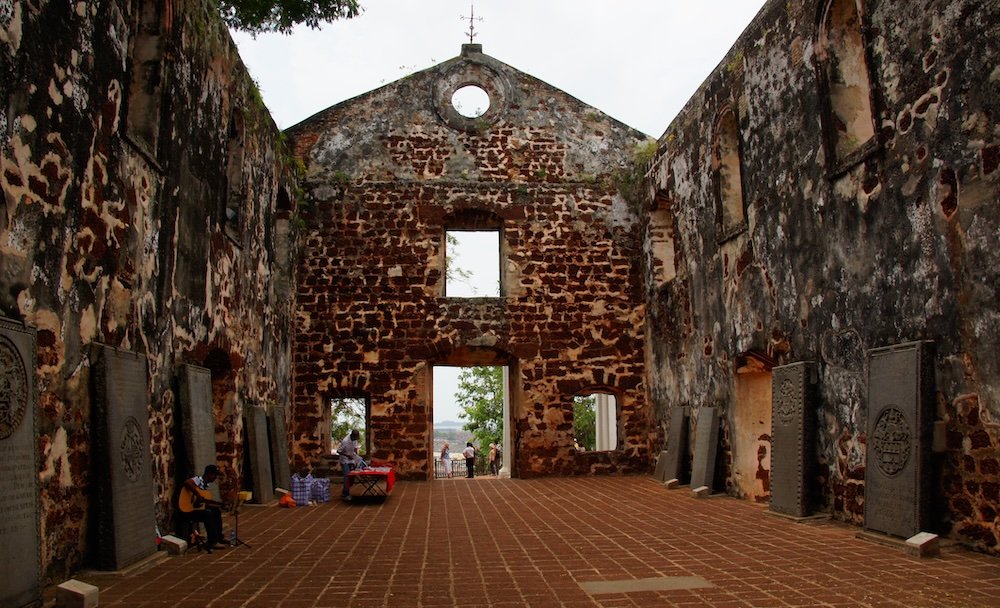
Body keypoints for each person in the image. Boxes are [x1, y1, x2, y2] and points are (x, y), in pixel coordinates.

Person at [180, 464, 226, 550]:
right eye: (214, 475)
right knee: (207, 514)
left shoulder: (205, 487)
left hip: (195, 508)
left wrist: (219, 505)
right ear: (209, 474)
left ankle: (219, 538)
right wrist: (198, 495)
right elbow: (187, 482)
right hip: (187, 510)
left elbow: (204, 504)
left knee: (216, 510)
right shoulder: (198, 480)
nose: (215, 477)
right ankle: (213, 542)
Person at [339, 429, 363, 501]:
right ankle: (346, 494)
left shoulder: (355, 440)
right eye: (355, 438)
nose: (356, 439)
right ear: (352, 436)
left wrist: (356, 458)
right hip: (345, 460)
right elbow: (339, 451)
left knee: (352, 477)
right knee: (347, 476)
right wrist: (347, 456)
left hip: (352, 460)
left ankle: (344, 491)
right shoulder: (345, 441)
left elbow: (355, 449)